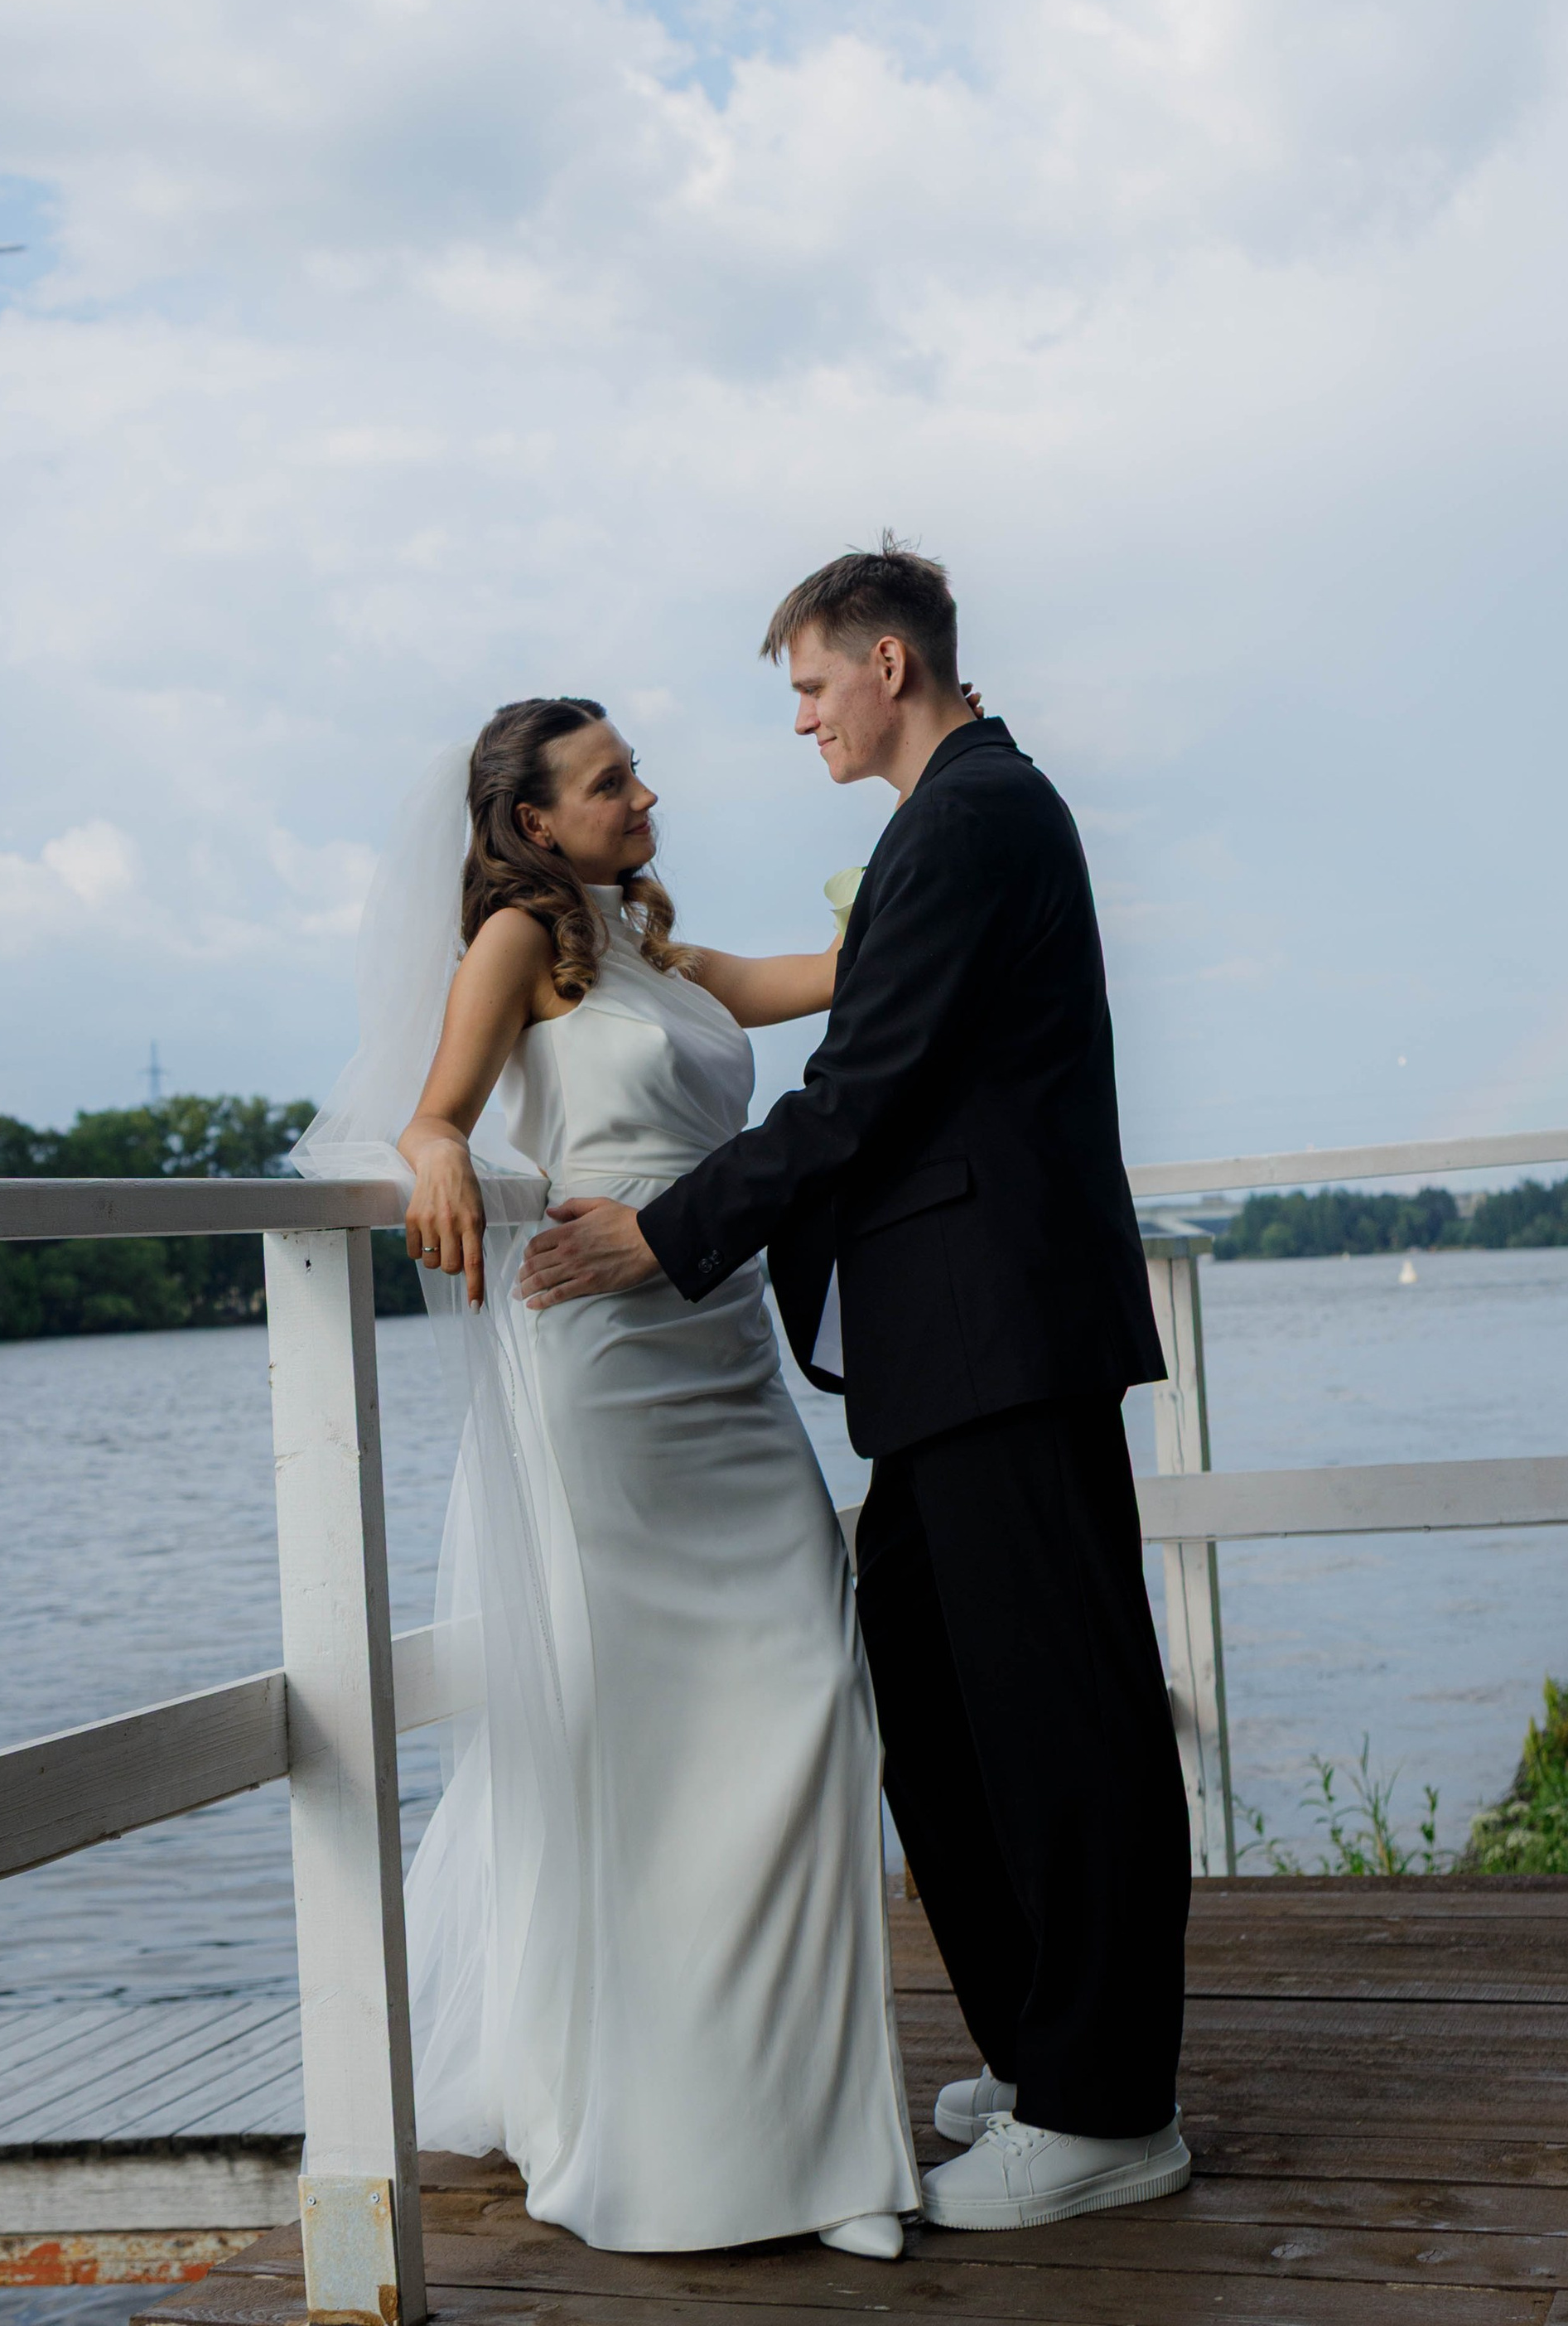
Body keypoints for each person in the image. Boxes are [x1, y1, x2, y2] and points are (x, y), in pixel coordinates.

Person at [522, 542, 1195, 2236]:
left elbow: (865, 1088)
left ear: (888, 661)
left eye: (812, 686)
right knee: (928, 1677)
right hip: (951, 1344)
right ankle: (1049, 2053)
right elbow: (863, 1065)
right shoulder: (948, 819)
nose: (804, 719)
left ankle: (1108, 2107)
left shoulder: (968, 818)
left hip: (999, 1335)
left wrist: (668, 1233)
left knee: (1059, 1714)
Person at [297, 700, 919, 2261]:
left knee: (804, 1694)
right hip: (605, 1374)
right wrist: (437, 1150)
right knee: (651, 1749)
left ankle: (827, 2135)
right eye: (609, 780)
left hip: (727, 1362)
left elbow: (844, 981)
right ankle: (682, 2142)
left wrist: (922, 874)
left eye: (635, 768)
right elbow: (434, 1105)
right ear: (534, 823)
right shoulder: (519, 939)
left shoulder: (662, 956)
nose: (646, 792)